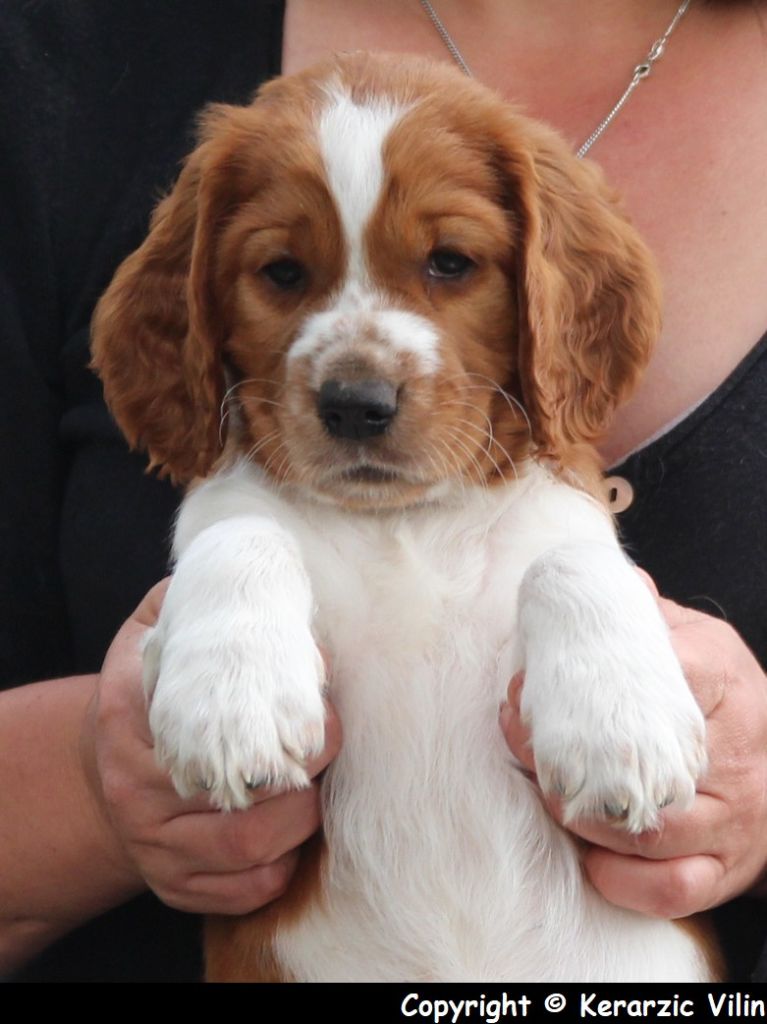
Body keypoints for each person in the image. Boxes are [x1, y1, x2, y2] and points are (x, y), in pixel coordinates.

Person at [1, 0, 764, 982]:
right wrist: (95, 776)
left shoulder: (559, 542)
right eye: (282, 271)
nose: (357, 373)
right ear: (198, 306)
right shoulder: (59, 64)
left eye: (449, 262)